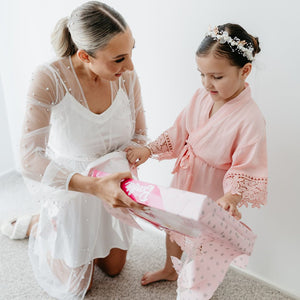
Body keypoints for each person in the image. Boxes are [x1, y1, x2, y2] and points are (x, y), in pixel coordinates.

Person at [1, 1, 147, 299]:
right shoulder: (48, 78)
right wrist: (94, 186)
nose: (130, 66)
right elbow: (29, 158)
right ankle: (41, 222)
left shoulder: (127, 76)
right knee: (81, 286)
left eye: (131, 52)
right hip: (74, 187)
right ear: (84, 55)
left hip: (114, 188)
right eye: (119, 58)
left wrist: (137, 151)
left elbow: (140, 134)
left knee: (115, 268)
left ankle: (47, 222)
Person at [126, 23, 268, 286]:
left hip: (214, 188)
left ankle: (197, 285)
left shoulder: (250, 118)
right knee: (174, 225)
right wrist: (149, 149)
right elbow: (180, 130)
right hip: (187, 173)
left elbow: (245, 166)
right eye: (201, 74)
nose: (207, 84)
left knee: (206, 241)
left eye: (216, 77)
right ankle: (170, 268)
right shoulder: (201, 97)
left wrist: (231, 197)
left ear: (245, 71)